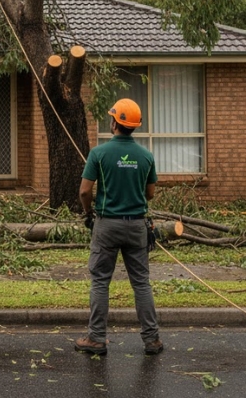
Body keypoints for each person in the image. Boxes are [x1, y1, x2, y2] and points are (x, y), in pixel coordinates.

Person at [75, 98, 163, 356]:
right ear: (134, 126)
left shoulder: (99, 154)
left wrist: (88, 213)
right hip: (137, 226)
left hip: (107, 225)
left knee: (101, 282)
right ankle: (152, 340)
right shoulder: (146, 156)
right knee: (141, 284)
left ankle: (96, 339)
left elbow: (83, 191)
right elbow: (150, 194)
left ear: (114, 122)